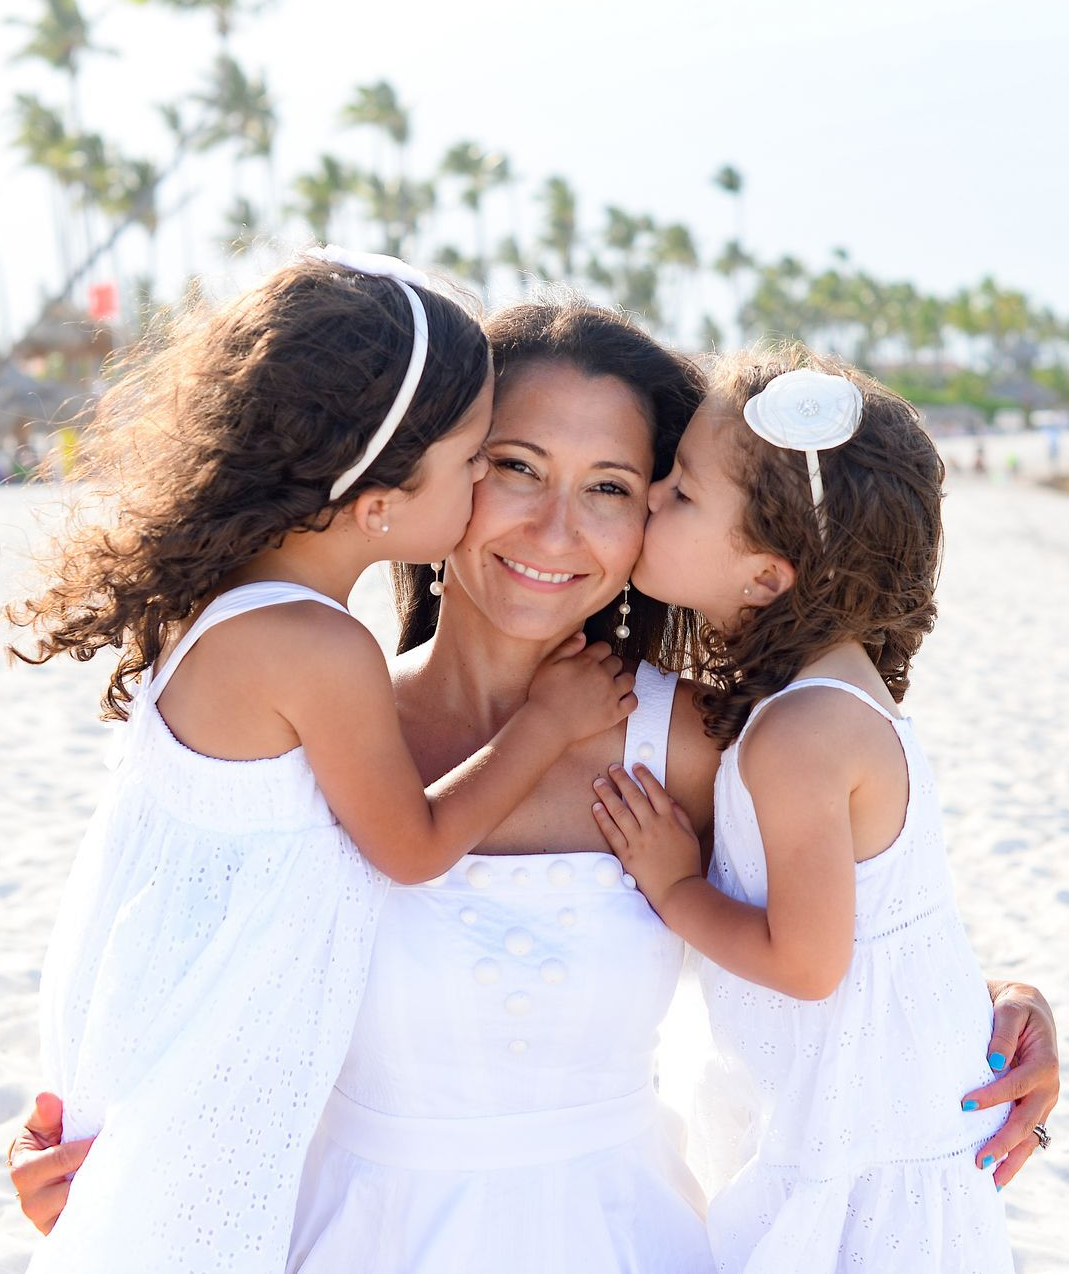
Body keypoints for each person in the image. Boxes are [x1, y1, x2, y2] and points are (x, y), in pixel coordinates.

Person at [9, 306, 1060, 1272]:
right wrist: (99, 1152)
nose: (557, 529)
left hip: (620, 1236)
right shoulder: (304, 718)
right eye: (514, 465)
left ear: (659, 510)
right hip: (337, 1235)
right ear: (440, 470)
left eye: (609, 485)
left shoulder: (693, 740)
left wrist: (1003, 1006)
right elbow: (159, 937)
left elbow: (847, 932)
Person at [4, 255, 636, 1274]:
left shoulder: (224, 606)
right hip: (207, 1087)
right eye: (483, 459)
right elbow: (410, 845)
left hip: (163, 1051)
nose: (484, 487)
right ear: (380, 500)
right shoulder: (324, 649)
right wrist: (548, 723)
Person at [591, 348, 1057, 1272]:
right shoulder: (831, 699)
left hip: (857, 1137)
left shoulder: (796, 734)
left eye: (681, 493)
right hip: (875, 1107)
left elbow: (806, 963)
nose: (649, 498)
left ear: (766, 578)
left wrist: (676, 884)